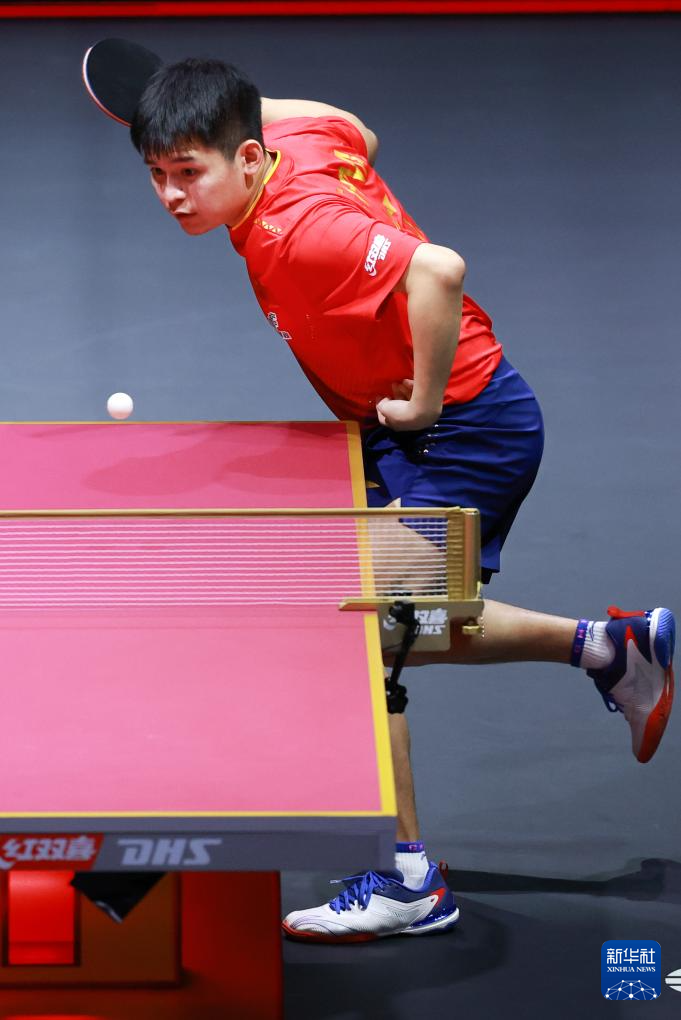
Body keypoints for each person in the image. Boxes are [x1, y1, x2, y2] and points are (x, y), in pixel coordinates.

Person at [117, 57, 673, 942]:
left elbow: (438, 270)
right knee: (399, 619)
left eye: (189, 172)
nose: (172, 196)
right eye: (157, 174)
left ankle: (406, 879)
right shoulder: (294, 140)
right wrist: (225, 116)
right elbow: (356, 129)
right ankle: (610, 649)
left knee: (363, 637)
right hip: (401, 430)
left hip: (462, 432)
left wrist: (420, 401)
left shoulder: (303, 230)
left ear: (249, 158)